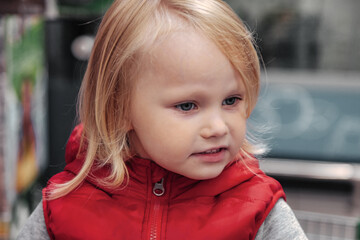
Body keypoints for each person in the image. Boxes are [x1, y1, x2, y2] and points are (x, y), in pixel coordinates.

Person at [17, 0, 308, 239]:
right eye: (187, 106)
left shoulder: (260, 211)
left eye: (231, 100)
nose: (218, 127)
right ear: (119, 109)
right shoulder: (63, 207)